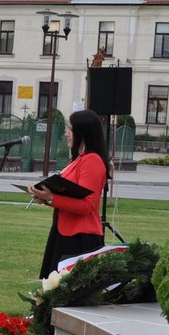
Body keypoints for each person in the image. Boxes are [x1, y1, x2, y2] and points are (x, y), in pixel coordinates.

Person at [29, 108, 111, 278]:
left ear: (83, 133)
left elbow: (88, 205)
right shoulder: (77, 159)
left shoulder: (92, 160)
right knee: (53, 285)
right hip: (64, 231)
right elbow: (67, 195)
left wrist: (51, 198)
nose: (66, 134)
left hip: (80, 236)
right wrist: (44, 197)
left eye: (70, 129)